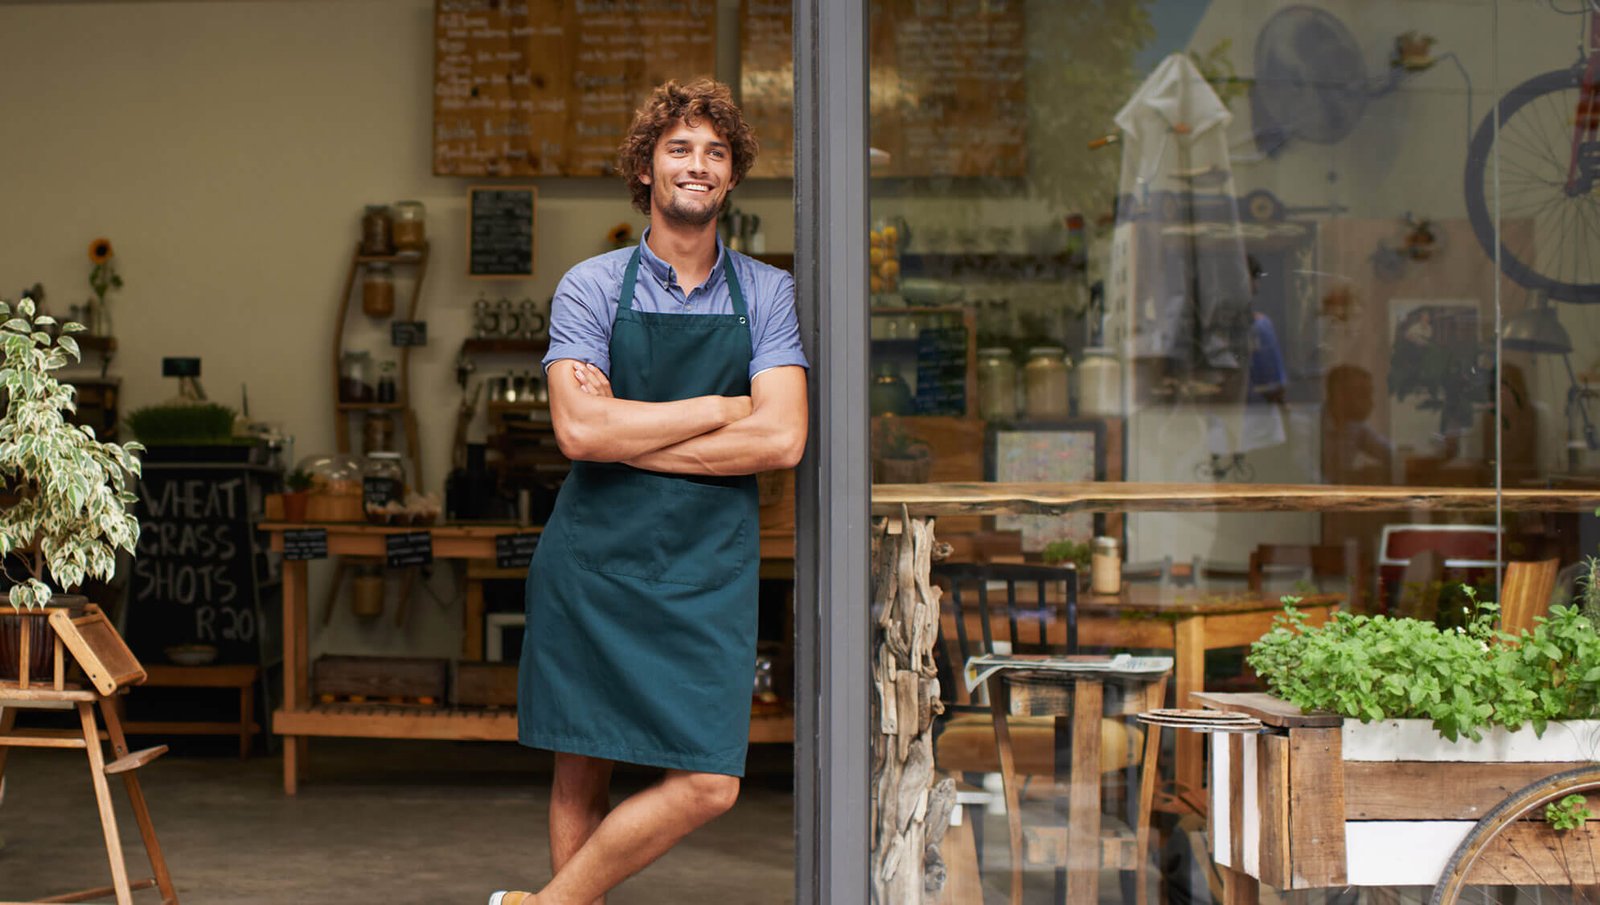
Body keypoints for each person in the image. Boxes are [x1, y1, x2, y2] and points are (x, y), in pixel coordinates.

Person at [489, 79, 808, 905]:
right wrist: (720, 407)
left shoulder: (768, 293)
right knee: (581, 761)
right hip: (594, 563)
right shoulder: (591, 286)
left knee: (710, 781)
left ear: (731, 175)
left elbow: (781, 439)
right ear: (646, 167)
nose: (698, 165)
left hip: (707, 572)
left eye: (716, 152)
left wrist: (631, 435)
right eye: (680, 148)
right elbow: (579, 433)